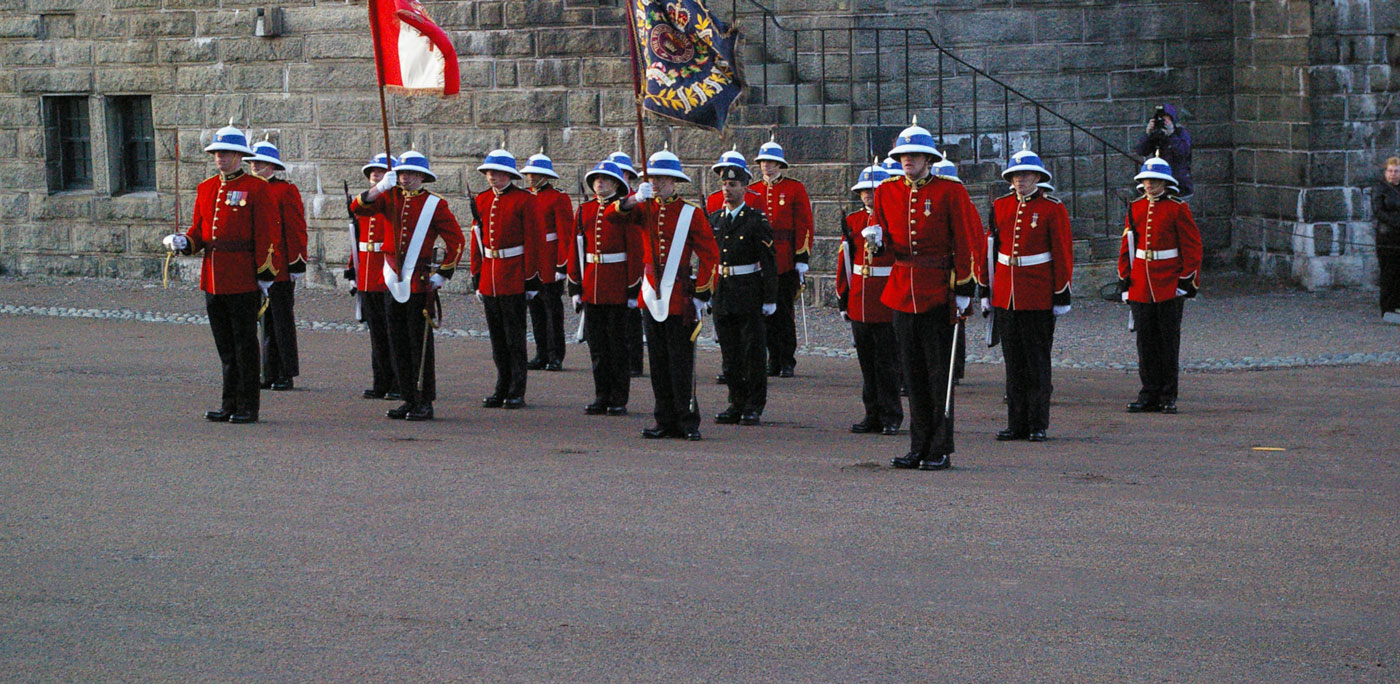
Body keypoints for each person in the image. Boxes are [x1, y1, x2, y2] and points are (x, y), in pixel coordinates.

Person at [865, 120, 979, 471]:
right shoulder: (886, 191)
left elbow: (965, 240)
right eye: (902, 155)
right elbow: (886, 251)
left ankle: (939, 446)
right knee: (910, 375)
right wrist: (876, 241)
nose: (907, 161)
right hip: (903, 289)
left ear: (928, 159)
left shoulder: (950, 191)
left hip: (936, 289)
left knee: (937, 373)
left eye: (913, 155)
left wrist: (963, 288)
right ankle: (918, 444)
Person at [160, 124, 281, 424]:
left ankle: (248, 406)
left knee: (245, 345)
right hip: (213, 276)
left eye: (226, 153)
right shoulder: (206, 188)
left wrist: (265, 273)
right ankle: (229, 403)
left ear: (239, 155)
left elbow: (267, 233)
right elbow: (200, 231)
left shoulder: (257, 188)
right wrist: (184, 242)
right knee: (226, 347)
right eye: (216, 153)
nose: (220, 158)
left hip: (242, 277)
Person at [610, 148, 720, 441]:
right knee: (657, 362)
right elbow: (612, 217)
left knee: (681, 362)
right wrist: (634, 198)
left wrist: (702, 293)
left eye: (661, 178)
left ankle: (687, 419)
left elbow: (710, 255)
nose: (656, 183)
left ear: (674, 181)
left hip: (679, 296)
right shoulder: (643, 208)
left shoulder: (690, 213)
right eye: (652, 178)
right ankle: (664, 419)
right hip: (652, 294)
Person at [352, 150, 466, 421]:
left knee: (419, 344)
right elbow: (357, 208)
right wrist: (380, 187)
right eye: (402, 173)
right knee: (397, 341)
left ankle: (424, 399)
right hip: (391, 278)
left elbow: (456, 241)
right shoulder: (389, 198)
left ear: (422, 176)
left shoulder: (434, 205)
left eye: (411, 174)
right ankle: (407, 397)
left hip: (418, 280)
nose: (405, 178)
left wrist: (443, 274)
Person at [979, 147, 1074, 442]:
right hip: (1006, 293)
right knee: (1013, 362)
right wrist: (985, 288)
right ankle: (1016, 422)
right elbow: (990, 250)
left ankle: (1037, 422)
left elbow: (1062, 252)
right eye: (1016, 175)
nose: (1020, 180)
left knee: (1037, 361)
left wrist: (1060, 293)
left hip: (1037, 294)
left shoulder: (1052, 208)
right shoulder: (1001, 206)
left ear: (1037, 177)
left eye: (1026, 175)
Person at [1117, 154, 1203, 414]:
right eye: (1146, 181)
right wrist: (1125, 279)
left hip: (1168, 283)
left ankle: (1168, 394)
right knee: (1145, 342)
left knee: (1167, 342)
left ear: (1165, 183)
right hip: (1142, 282)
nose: (1150, 185)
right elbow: (1128, 245)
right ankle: (1148, 392)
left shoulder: (1178, 208)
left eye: (1155, 181)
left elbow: (1192, 247)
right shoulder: (1135, 207)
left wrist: (1185, 281)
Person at [470, 149, 544, 410]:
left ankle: (516, 390)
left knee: (515, 338)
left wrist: (532, 279)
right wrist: (477, 275)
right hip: (490, 275)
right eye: (489, 172)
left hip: (514, 275)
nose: (492, 177)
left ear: (508, 175)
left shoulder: (525, 200)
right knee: (497, 339)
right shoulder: (481, 200)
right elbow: (477, 241)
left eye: (497, 173)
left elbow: (534, 241)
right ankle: (501, 387)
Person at [568, 160, 642, 415]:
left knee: (617, 346)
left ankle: (619, 397)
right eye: (596, 179)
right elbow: (576, 249)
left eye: (605, 179)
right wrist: (575, 287)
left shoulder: (625, 210)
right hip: (592, 284)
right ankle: (602, 395)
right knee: (597, 346)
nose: (599, 183)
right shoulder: (585, 210)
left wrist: (633, 289)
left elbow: (634, 249)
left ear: (615, 184)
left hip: (617, 285)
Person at [708, 153, 777, 427]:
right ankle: (735, 402)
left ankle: (753, 405)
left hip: (749, 289)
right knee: (730, 353)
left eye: (733, 185)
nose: (727, 189)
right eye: (725, 184)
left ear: (745, 188)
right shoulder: (715, 219)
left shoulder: (755, 220)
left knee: (752, 352)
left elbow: (769, 261)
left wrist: (770, 297)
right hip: (723, 289)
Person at [836, 163, 902, 436]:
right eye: (863, 191)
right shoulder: (853, 221)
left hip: (885, 298)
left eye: (872, 191)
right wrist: (843, 296)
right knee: (867, 363)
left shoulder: (895, 219)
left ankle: (891, 415)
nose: (867, 196)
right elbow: (845, 260)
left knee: (887, 363)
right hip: (860, 299)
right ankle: (871, 413)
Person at [749, 136, 813, 378]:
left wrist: (802, 257)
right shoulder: (753, 189)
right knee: (763, 312)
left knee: (784, 312)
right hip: (759, 258)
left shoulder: (794, 188)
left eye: (771, 162)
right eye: (763, 161)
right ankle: (770, 358)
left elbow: (804, 224)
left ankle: (786, 359)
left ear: (780, 165)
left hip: (785, 256)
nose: (767, 166)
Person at [246, 139, 306, 392]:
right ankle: (268, 371)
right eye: (253, 162)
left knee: (281, 321)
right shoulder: (248, 189)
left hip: (279, 266)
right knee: (264, 322)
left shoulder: (284, 190)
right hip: (255, 267)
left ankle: (286, 372)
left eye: (261, 163)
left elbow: (295, 229)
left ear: (272, 166)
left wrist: (296, 263)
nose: (255, 166)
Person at [345, 153, 401, 401]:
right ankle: (381, 381)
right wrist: (352, 271)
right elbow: (356, 239)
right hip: (366, 271)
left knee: (392, 332)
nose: (374, 175)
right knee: (376, 333)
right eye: (372, 172)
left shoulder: (394, 200)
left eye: (379, 171)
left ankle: (398, 381)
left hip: (384, 270)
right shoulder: (367, 201)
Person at [521, 151, 571, 371]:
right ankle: (541, 353)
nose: (531, 177)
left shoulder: (558, 198)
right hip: (532, 263)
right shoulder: (525, 196)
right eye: (529, 173)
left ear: (546, 176)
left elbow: (565, 234)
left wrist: (562, 264)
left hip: (550, 261)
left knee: (552, 310)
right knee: (535, 310)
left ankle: (555, 355)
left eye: (536, 174)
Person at [609, 150, 647, 377]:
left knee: (631, 320)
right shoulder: (609, 202)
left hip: (631, 268)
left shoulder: (634, 200)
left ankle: (634, 361)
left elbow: (635, 245)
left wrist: (635, 282)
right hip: (610, 272)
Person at [1136, 104, 1193, 198]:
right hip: (1160, 184)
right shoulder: (1156, 134)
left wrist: (1171, 135)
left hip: (1179, 185)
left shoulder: (1180, 133)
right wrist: (1148, 134)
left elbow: (1183, 153)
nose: (1163, 123)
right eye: (1160, 120)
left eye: (1166, 120)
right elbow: (1141, 151)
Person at [1371, 156, 1400, 324]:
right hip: (1387, 236)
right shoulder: (1380, 189)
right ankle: (1387, 307)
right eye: (1390, 171)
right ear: (1386, 172)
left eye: (1396, 171)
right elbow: (1378, 211)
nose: (1393, 174)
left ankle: (1397, 304)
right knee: (1389, 272)